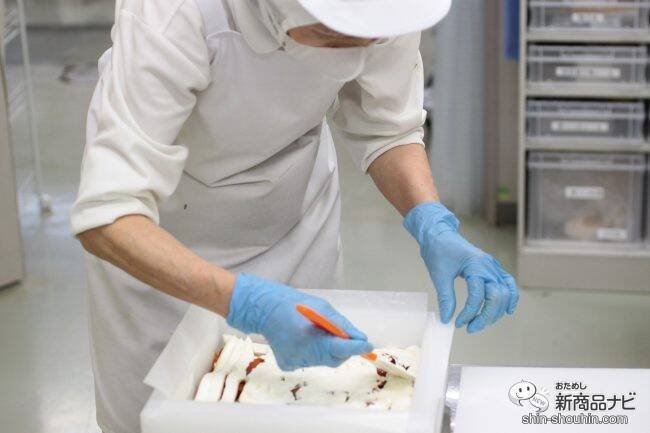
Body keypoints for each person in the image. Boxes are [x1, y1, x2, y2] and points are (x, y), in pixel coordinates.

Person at [71, 1, 519, 432]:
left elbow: (386, 126)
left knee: (309, 408)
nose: (355, 53)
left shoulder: (388, 8)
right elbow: (109, 214)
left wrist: (431, 221)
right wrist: (247, 303)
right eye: (331, 35)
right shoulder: (173, 13)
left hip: (293, 221)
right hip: (163, 247)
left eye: (370, 40)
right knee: (163, 417)